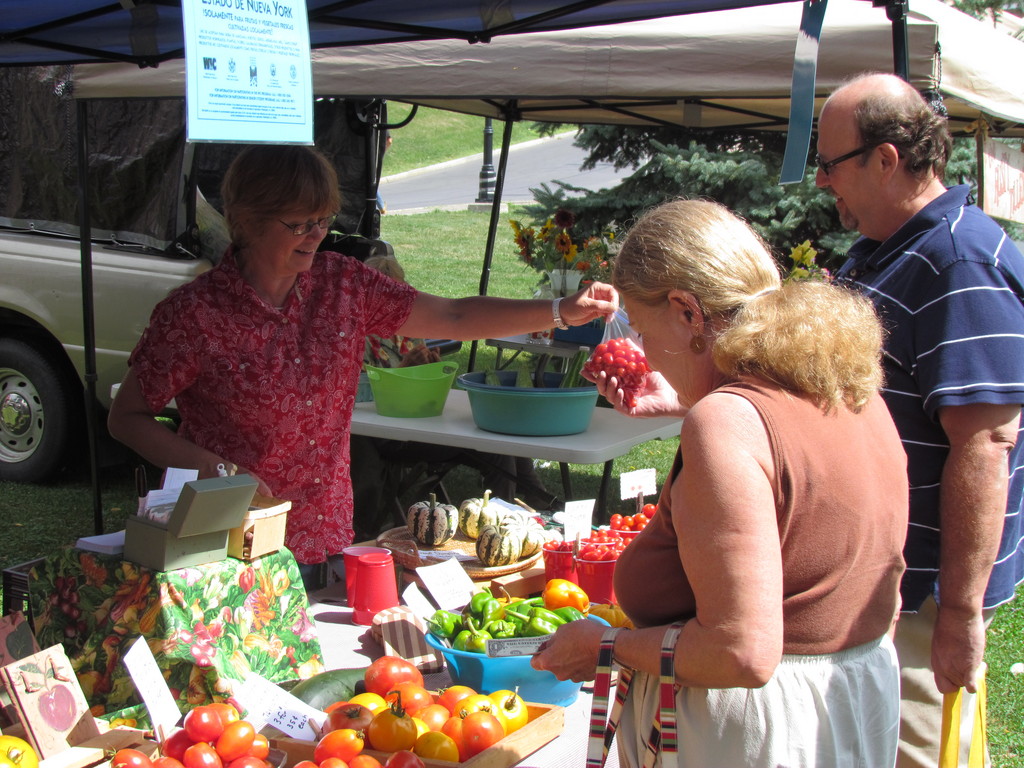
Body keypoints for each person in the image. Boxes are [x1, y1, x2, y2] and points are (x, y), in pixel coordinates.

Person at [107, 144, 613, 589]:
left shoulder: (342, 285)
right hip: (228, 542)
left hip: (323, 533)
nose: (315, 236)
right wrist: (219, 470)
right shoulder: (193, 314)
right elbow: (126, 417)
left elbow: (454, 313)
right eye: (299, 223)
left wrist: (560, 312)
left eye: (323, 221)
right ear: (248, 219)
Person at [531, 199, 909, 767]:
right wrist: (692, 405)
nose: (641, 349)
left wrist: (606, 646)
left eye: (638, 323)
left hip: (754, 733)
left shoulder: (726, 423)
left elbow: (742, 652)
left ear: (687, 312)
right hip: (850, 705)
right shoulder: (845, 387)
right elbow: (792, 465)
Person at [815, 72, 1024, 767]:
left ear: (886, 158)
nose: (820, 182)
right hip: (882, 584)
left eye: (829, 163)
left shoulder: (956, 261)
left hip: (926, 598)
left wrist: (961, 614)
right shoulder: (886, 249)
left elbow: (987, 445)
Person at [350, 254, 558, 540]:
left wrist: (429, 368)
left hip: (423, 419)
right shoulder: (354, 336)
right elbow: (361, 393)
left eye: (396, 295)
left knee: (499, 439)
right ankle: (512, 523)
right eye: (382, 297)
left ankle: (514, 513)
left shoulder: (408, 328)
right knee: (497, 449)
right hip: (389, 434)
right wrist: (404, 371)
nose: (391, 306)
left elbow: (421, 382)